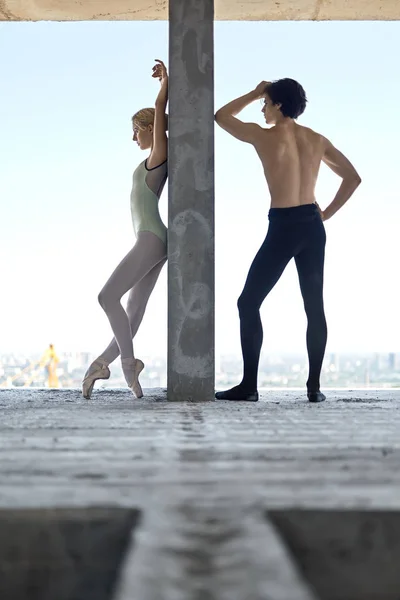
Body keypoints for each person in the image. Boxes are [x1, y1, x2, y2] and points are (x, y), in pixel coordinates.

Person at [214, 78, 361, 403]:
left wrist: (254, 91)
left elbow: (221, 117)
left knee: (247, 303)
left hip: (283, 226)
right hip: (311, 226)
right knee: (314, 308)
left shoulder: (264, 135)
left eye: (266, 103)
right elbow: (353, 178)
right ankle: (314, 388)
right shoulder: (317, 139)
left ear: (278, 104)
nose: (263, 108)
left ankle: (249, 387)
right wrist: (325, 215)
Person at [82, 59, 168, 400]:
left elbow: (161, 112)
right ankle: (103, 363)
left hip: (151, 238)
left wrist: (163, 87)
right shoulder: (149, 160)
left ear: (151, 129)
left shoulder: (157, 156)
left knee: (106, 297)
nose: (133, 136)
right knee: (131, 312)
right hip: (152, 240)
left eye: (137, 129)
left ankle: (127, 363)